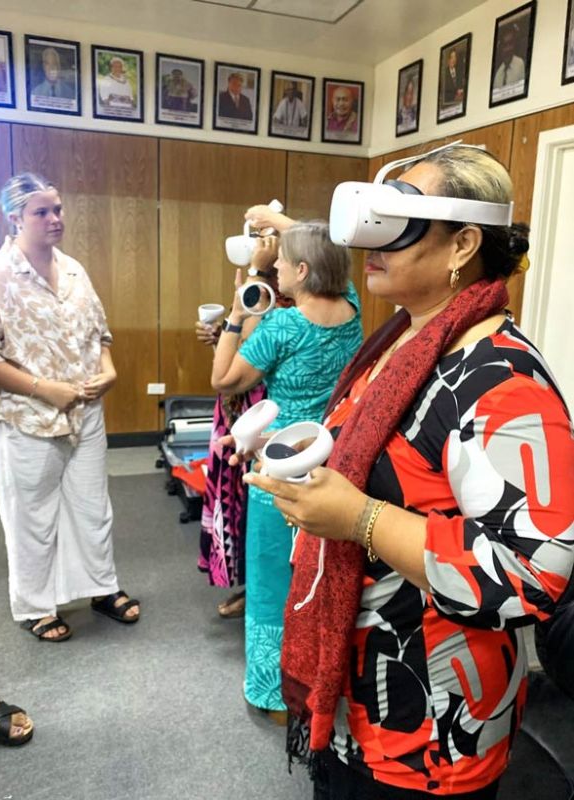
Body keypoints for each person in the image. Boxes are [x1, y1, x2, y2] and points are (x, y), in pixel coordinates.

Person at [245, 145, 574, 798]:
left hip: (430, 723)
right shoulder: (400, 341)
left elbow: (530, 573)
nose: (373, 238)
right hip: (357, 694)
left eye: (400, 218)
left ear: (462, 245)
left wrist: (357, 518)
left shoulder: (501, 381)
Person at [212, 223, 363, 723]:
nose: (273, 268)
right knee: (317, 575)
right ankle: (318, 676)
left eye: (282, 261)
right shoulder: (353, 311)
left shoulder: (284, 326)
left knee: (272, 579)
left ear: (301, 270)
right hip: (332, 464)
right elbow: (329, 250)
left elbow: (222, 379)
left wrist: (236, 316)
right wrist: (287, 227)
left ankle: (273, 691)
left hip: (278, 466)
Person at [0, 173, 140, 641]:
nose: (55, 219)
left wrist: (110, 370)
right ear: (14, 218)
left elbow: (100, 334)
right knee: (30, 515)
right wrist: (42, 388)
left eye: (57, 209)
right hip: (25, 417)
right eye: (41, 212)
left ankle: (101, 587)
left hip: (84, 412)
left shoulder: (74, 269)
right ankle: (36, 606)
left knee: (92, 508)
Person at [196, 236, 288, 618]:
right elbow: (244, 349)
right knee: (236, 501)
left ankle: (262, 590)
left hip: (262, 413)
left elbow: (255, 338)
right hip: (236, 409)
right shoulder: (260, 289)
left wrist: (256, 272)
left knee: (257, 503)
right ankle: (250, 584)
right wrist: (219, 337)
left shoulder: (291, 298)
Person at [493, 24, 525, 90]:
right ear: (501, 48)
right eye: (505, 45)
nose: (508, 49)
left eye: (510, 44)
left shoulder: (520, 64)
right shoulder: (498, 74)